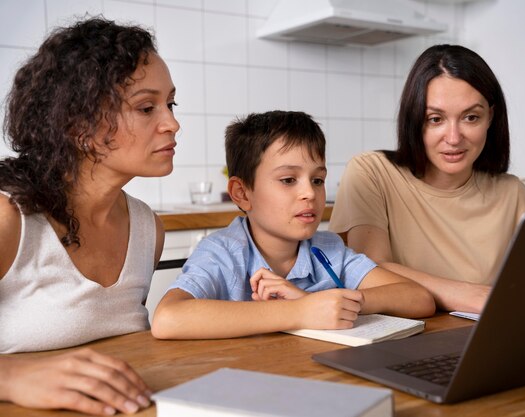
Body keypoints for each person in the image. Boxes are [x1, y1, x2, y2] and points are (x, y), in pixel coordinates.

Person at [0, 17, 180, 415]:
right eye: (146, 107)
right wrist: (13, 377)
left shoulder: (149, 229)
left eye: (170, 103)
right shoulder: (8, 218)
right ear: (79, 125)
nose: (172, 123)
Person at [151, 111, 435, 340]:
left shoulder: (329, 250)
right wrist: (300, 310)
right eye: (288, 180)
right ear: (242, 193)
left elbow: (418, 298)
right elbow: (167, 319)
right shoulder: (222, 252)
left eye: (318, 180)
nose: (309, 193)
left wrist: (341, 302)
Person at [329, 44, 525, 314]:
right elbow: (369, 268)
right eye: (435, 119)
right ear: (414, 119)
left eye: (471, 117)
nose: (453, 138)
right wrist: (470, 295)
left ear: (491, 117)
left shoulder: (513, 193)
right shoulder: (372, 172)